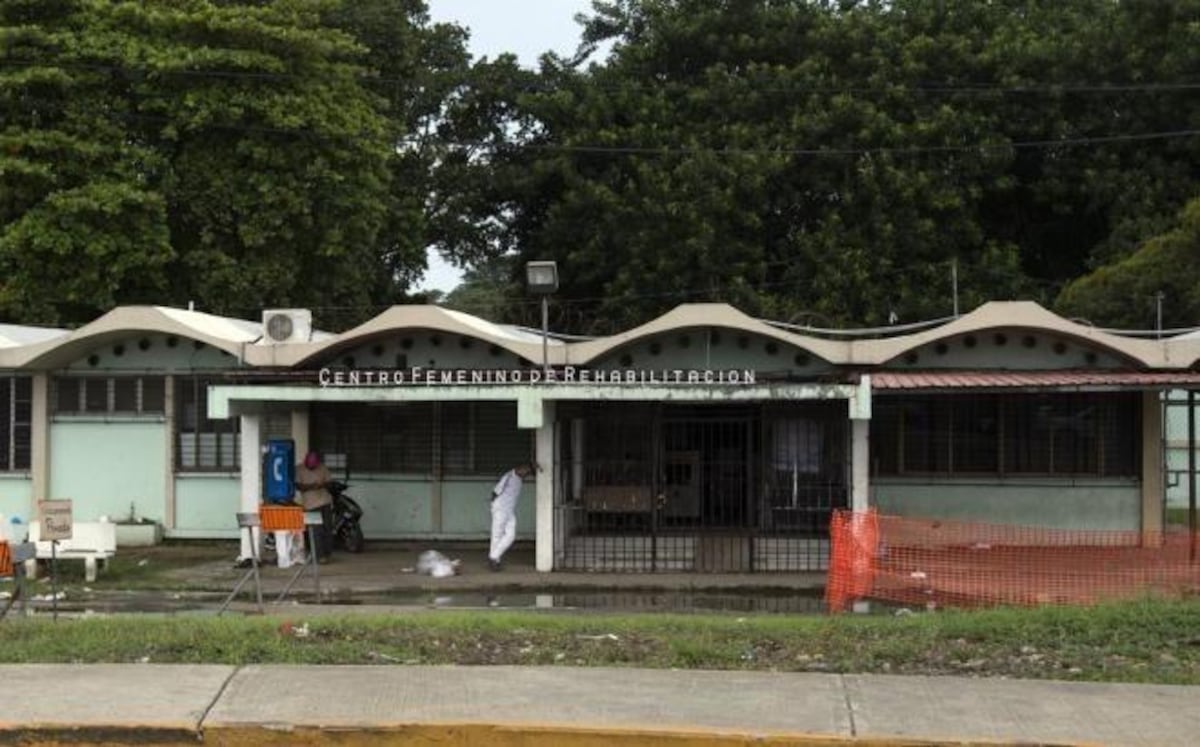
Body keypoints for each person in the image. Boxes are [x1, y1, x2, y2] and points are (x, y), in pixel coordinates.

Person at [487, 462, 535, 571]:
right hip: (500, 509)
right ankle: (495, 560)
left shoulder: (519, 478)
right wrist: (495, 505)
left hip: (509, 510)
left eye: (529, 473)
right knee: (497, 535)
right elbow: (495, 491)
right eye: (526, 471)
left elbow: (533, 467)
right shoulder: (508, 476)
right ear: (520, 468)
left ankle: (493, 557)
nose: (527, 474)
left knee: (511, 535)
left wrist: (536, 467)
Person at [295, 450, 334, 563]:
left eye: (314, 465)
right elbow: (298, 486)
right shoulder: (299, 469)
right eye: (310, 465)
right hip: (310, 505)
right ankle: (319, 555)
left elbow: (330, 483)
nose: (312, 467)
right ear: (306, 461)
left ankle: (327, 554)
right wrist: (311, 486)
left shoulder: (323, 468)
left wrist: (323, 485)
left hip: (325, 502)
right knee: (316, 531)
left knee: (327, 528)